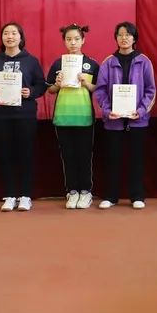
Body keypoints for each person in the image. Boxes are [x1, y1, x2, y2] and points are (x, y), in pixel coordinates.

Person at [0, 22, 47, 212]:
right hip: (1, 116)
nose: (9, 37)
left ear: (21, 37)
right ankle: (9, 195)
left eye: (13, 33)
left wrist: (30, 92)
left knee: (26, 154)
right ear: (2, 38)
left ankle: (26, 196)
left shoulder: (31, 61)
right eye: (6, 33)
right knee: (4, 155)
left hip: (25, 115)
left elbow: (41, 85)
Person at [95, 22, 157, 209]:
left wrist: (141, 111)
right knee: (112, 159)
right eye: (120, 34)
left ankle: (137, 196)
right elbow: (100, 90)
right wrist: (107, 111)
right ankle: (111, 196)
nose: (124, 38)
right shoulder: (108, 62)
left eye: (128, 34)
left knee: (136, 159)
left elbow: (151, 90)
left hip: (138, 121)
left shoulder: (144, 61)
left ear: (134, 38)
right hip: (113, 121)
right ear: (116, 38)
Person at [46, 24, 99, 209]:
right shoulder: (58, 63)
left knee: (84, 155)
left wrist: (86, 84)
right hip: (63, 116)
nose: (73, 43)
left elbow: (99, 89)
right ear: (64, 41)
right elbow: (50, 89)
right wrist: (57, 84)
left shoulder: (92, 64)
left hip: (84, 117)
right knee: (68, 155)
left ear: (83, 40)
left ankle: (86, 192)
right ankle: (72, 191)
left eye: (76, 39)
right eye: (69, 39)